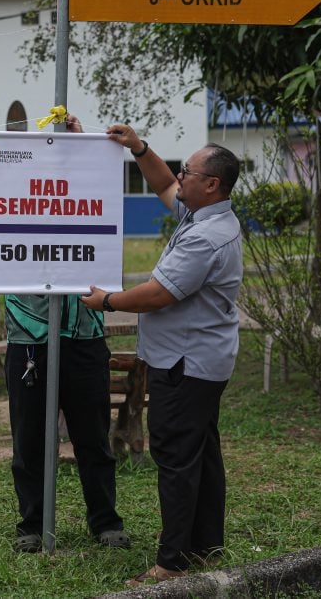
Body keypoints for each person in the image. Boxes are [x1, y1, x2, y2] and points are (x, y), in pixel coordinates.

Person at [81, 124, 242, 586]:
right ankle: (206, 544)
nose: (179, 175)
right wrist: (139, 148)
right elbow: (163, 185)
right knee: (201, 452)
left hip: (186, 365)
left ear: (211, 184)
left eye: (188, 171)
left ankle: (171, 563)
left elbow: (157, 295)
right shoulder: (204, 215)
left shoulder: (204, 238)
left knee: (175, 455)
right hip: (202, 360)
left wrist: (107, 301)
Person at [4, 113, 129, 553]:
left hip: (84, 335)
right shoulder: (12, 195)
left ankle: (105, 522)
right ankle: (32, 526)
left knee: (93, 438)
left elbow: (97, 176)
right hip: (28, 337)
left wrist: (81, 144)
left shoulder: (88, 197)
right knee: (30, 442)